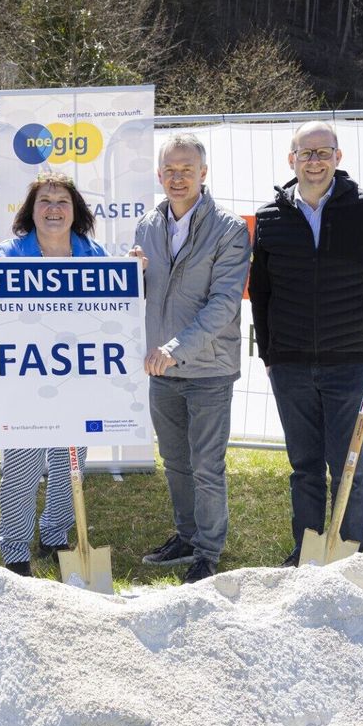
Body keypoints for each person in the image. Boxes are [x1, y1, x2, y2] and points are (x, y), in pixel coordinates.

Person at [249, 120, 363, 567]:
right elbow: (260, 293)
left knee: (349, 467)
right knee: (304, 467)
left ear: (338, 158)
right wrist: (269, 355)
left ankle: (349, 555)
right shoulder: (270, 218)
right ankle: (306, 552)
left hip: (350, 360)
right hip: (290, 365)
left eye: (324, 153)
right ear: (292, 160)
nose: (315, 161)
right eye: (306, 154)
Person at [0, 173, 106, 577]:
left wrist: (135, 271)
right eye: (45, 201)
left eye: (63, 201)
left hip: (78, 376)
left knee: (69, 459)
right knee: (23, 464)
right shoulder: (6, 255)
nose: (54, 209)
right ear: (31, 210)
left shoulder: (95, 256)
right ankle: (15, 550)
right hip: (23, 380)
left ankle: (57, 533)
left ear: (75, 210)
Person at [128, 133, 250, 584]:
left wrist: (174, 350)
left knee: (206, 464)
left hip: (207, 369)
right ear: (159, 175)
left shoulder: (230, 229)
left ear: (203, 173)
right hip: (160, 368)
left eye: (187, 170)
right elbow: (143, 294)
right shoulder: (147, 226)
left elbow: (223, 305)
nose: (178, 178)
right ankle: (185, 534)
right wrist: (131, 274)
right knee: (175, 460)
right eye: (170, 170)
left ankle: (208, 550)